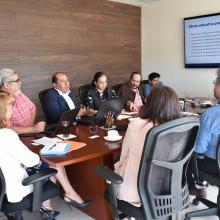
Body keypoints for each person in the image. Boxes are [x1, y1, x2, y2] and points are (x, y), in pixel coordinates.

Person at [114, 86, 181, 207]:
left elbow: (123, 157)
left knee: (116, 165)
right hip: (169, 191)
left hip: (137, 193)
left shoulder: (136, 125)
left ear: (150, 104)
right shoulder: (178, 129)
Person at [187, 71, 220, 197]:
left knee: (186, 155)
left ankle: (194, 188)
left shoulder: (210, 114)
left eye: (215, 83)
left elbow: (199, 150)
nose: (214, 86)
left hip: (215, 165)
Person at [0, 69, 45, 134]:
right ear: (6, 85)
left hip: (29, 133)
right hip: (15, 138)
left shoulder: (18, 93)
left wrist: (31, 128)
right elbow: (6, 129)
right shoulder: (2, 103)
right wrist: (32, 129)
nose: (20, 83)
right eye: (17, 81)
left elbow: (32, 108)